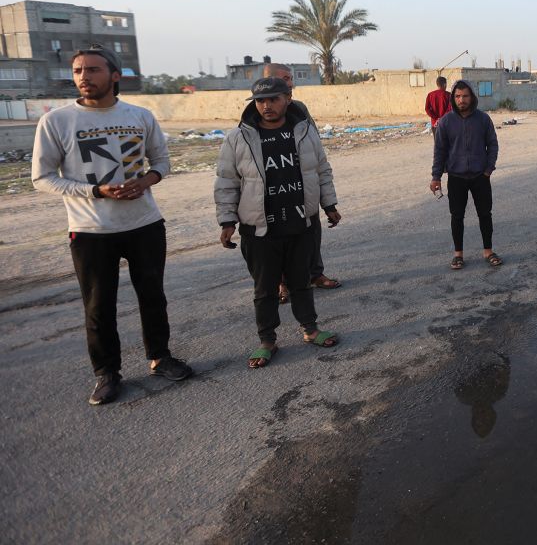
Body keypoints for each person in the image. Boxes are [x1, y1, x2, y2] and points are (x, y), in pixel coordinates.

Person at [32, 45, 193, 405]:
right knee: (98, 305)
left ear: (115, 76)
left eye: (92, 70)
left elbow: (162, 160)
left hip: (145, 224)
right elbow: (42, 178)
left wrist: (147, 181)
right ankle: (107, 374)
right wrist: (94, 191)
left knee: (153, 296)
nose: (84, 77)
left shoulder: (140, 115)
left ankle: (160, 357)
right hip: (91, 231)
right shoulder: (56, 121)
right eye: (77, 71)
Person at [215, 77, 342, 368]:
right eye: (260, 101)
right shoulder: (239, 137)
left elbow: (321, 168)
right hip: (260, 229)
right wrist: (227, 221)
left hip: (300, 223)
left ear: (288, 98)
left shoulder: (304, 130)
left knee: (301, 283)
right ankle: (267, 340)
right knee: (265, 288)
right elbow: (226, 181)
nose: (266, 106)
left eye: (273, 99)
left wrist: (329, 204)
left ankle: (310, 330)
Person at [264, 62, 342, 297]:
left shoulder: (299, 110)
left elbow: (316, 150)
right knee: (276, 239)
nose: (291, 83)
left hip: (303, 187)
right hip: (274, 192)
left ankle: (315, 274)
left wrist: (328, 202)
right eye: (286, 79)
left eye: (290, 79)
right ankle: (282, 283)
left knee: (311, 230)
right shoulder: (256, 116)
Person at [430, 80, 502, 270]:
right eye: (458, 96)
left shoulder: (483, 119)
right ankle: (458, 254)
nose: (462, 100)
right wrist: (436, 176)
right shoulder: (445, 122)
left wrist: (488, 169)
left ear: (472, 97)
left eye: (465, 96)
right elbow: (440, 151)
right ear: (453, 98)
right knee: (457, 216)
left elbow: (493, 145)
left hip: (480, 176)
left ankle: (488, 251)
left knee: (485, 214)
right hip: (456, 177)